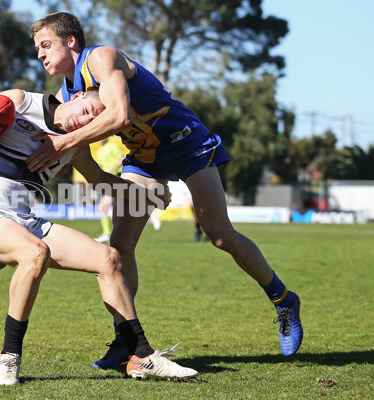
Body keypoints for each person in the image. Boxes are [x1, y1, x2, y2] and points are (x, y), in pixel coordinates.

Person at [24, 12, 302, 366]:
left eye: (46, 45)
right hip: (145, 157)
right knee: (120, 245)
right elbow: (82, 156)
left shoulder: (100, 58)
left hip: (187, 144)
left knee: (218, 234)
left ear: (71, 41)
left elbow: (120, 116)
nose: (40, 55)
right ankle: (126, 341)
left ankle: (283, 300)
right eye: (37, 49)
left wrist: (63, 144)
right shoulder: (67, 92)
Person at [0, 88, 199, 385]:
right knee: (35, 253)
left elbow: (101, 181)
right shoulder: (21, 101)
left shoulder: (76, 147)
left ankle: (141, 355)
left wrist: (148, 194)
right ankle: (8, 355)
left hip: (25, 221)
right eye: (90, 112)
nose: (87, 123)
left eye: (97, 121)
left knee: (109, 259)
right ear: (77, 96)